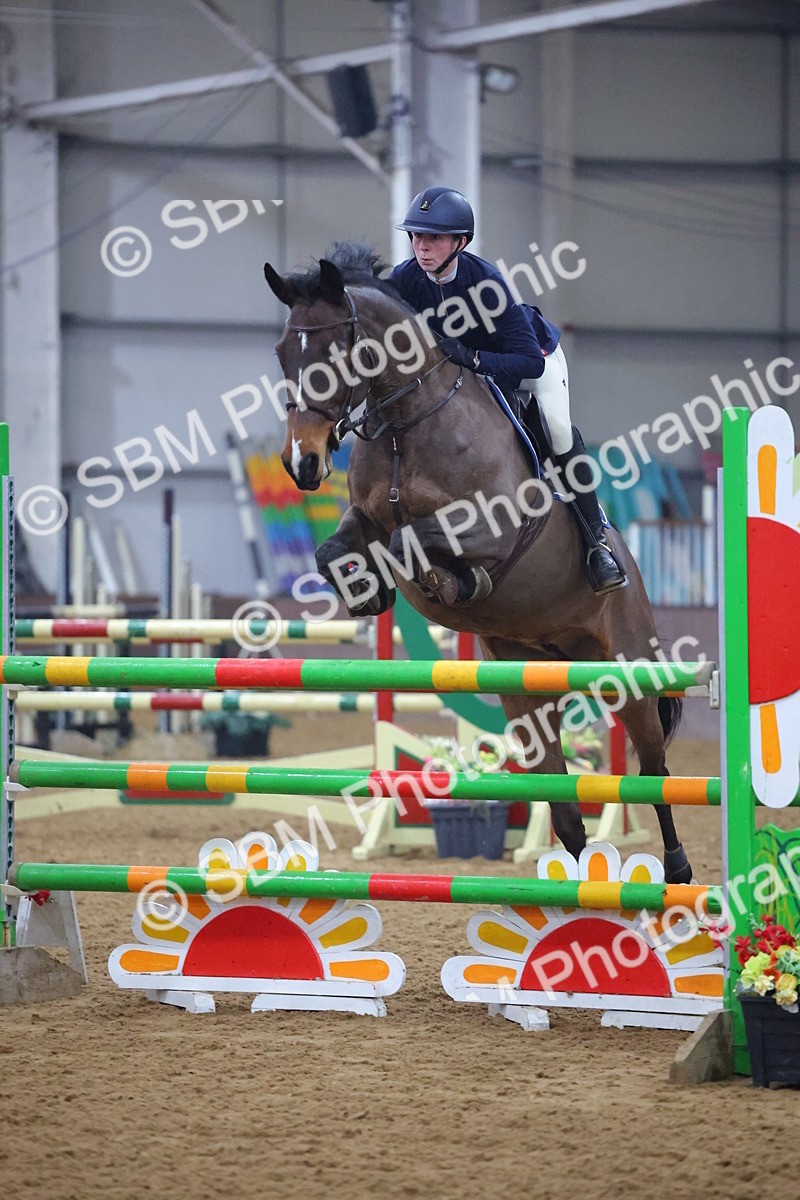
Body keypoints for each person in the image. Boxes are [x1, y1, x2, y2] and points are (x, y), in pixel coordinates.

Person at [388, 185, 626, 594]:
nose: (422, 247)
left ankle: (596, 544)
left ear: (461, 242)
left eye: (434, 238)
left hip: (529, 361)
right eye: (417, 235)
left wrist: (473, 358)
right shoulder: (404, 280)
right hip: (464, 375)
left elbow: (530, 362)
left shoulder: (488, 285)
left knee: (557, 430)